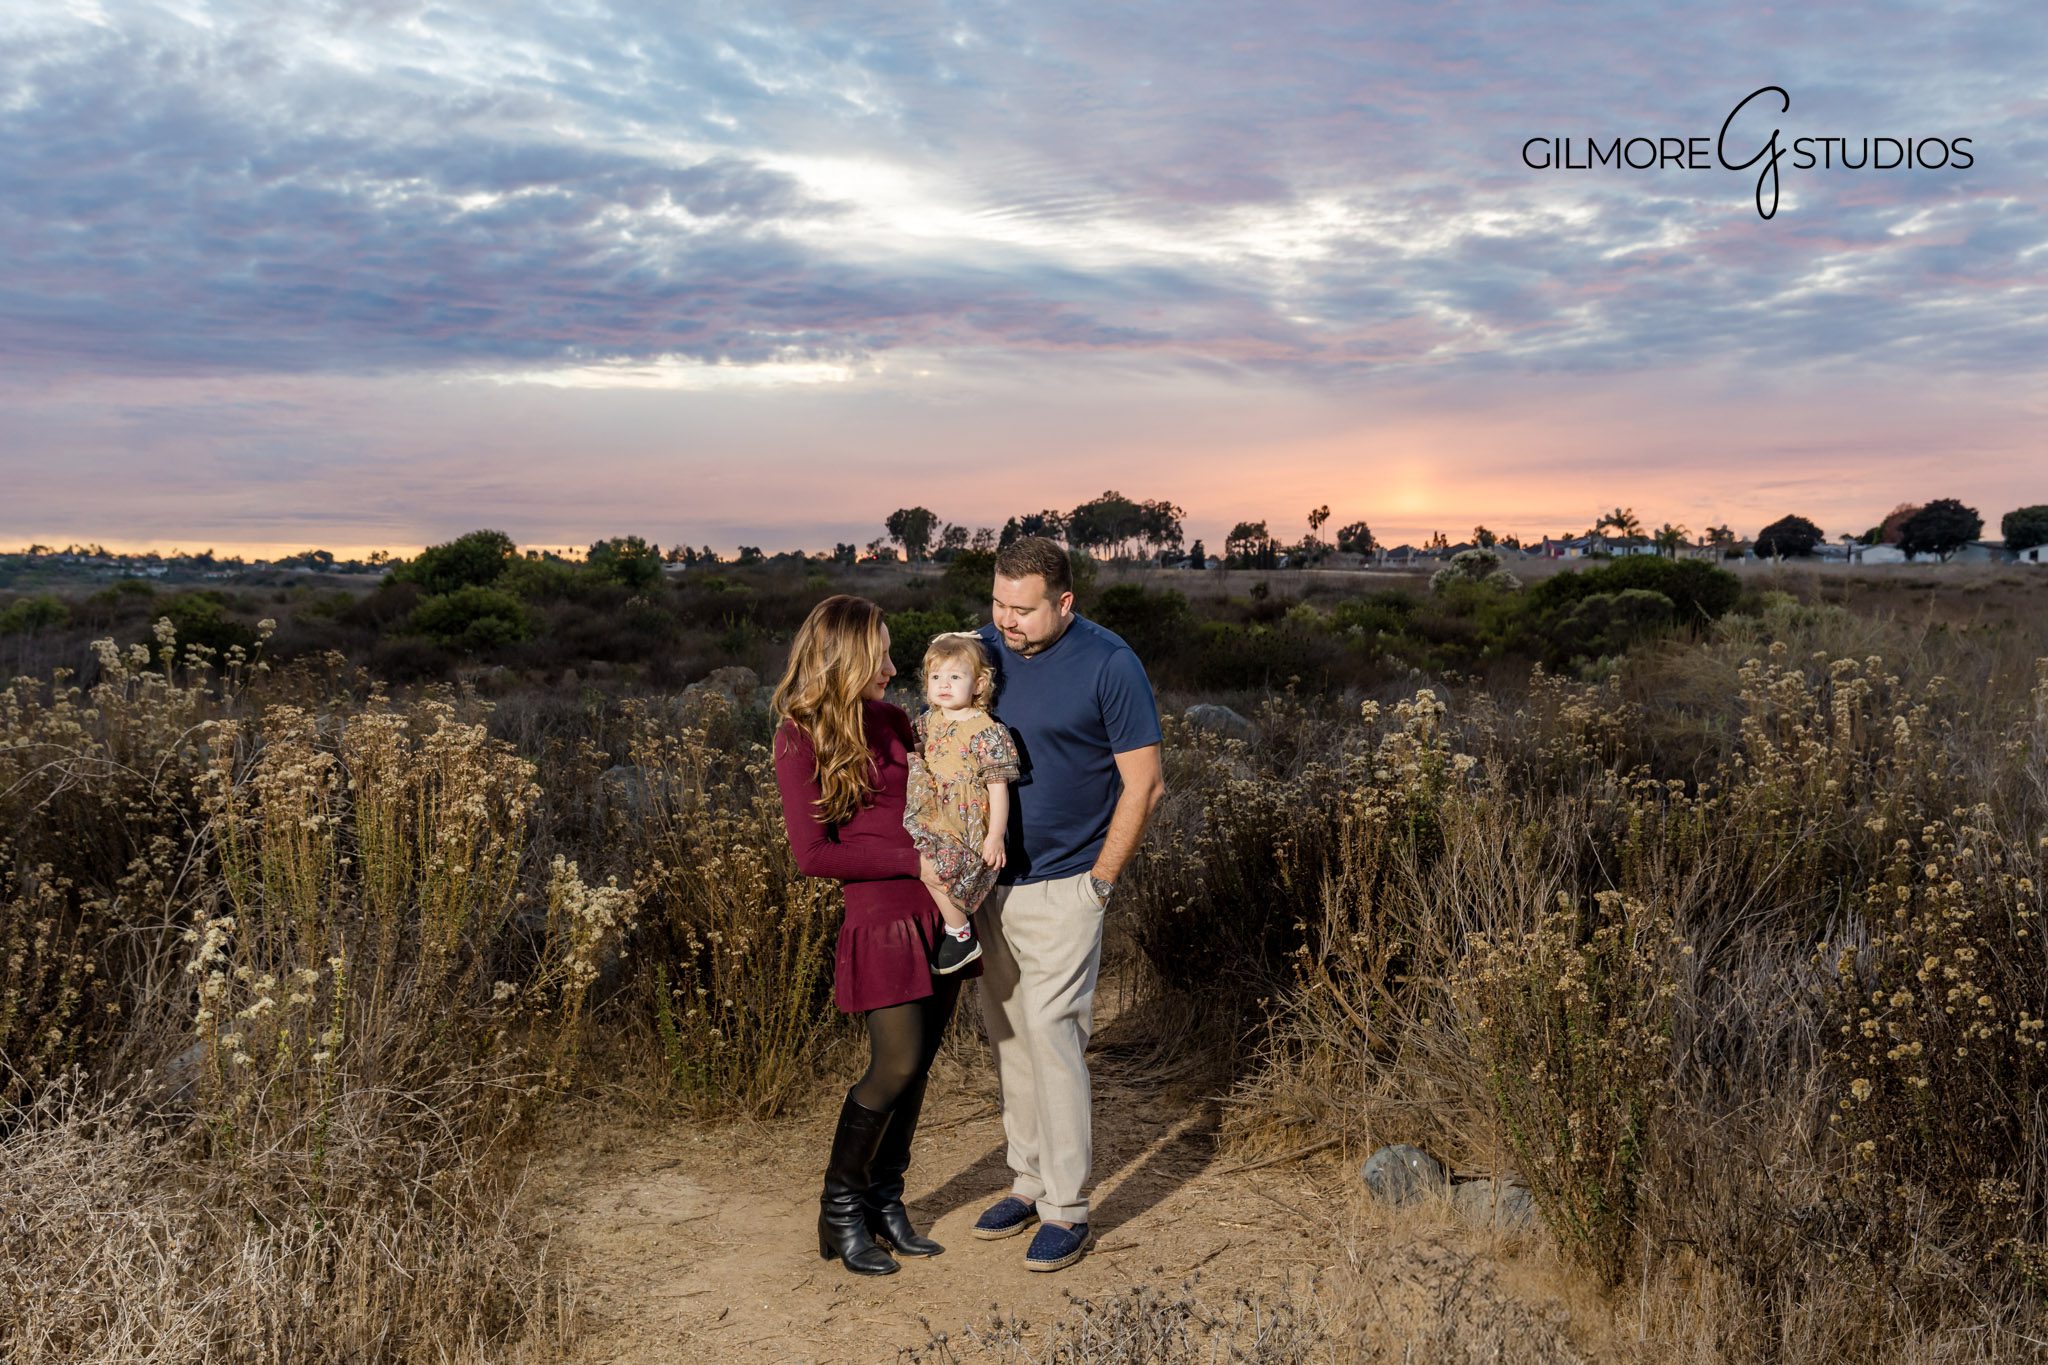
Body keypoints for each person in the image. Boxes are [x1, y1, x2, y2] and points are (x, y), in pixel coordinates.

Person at [967, 537, 1166, 1272]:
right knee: (1009, 1032)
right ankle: (1025, 1180)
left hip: (1067, 884)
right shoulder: (983, 649)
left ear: (1064, 602)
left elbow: (1144, 783)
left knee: (1053, 1034)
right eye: (997, 602)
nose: (1005, 621)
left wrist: (1099, 883)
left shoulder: (1110, 663)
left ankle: (1067, 1207)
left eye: (1022, 609)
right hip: (992, 883)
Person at [771, 595, 979, 1277]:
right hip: (880, 918)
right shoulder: (798, 735)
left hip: (937, 910)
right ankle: (839, 1211)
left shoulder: (894, 720)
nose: (894, 665)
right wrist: (910, 859)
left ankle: (887, 1201)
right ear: (847, 655)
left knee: (919, 1068)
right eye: (882, 652)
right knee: (892, 1063)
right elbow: (813, 855)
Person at [904, 632, 1020, 976]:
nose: (944, 685)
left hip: (964, 820)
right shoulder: (929, 721)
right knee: (924, 862)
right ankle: (953, 928)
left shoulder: (987, 731)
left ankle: (960, 933)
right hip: (933, 812)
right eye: (936, 677)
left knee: (935, 866)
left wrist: (995, 835)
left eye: (955, 677)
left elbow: (998, 788)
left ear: (979, 684)